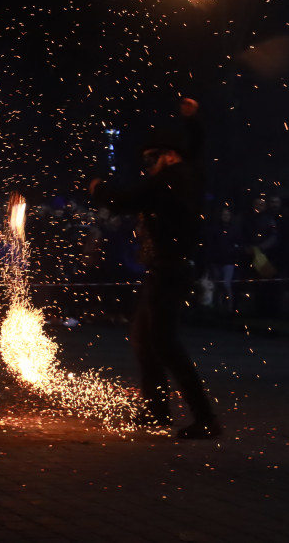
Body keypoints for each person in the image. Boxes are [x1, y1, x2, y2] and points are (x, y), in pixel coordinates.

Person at [90, 97, 220, 439]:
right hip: (166, 269)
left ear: (169, 156)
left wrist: (99, 189)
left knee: (164, 343)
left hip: (170, 270)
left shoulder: (169, 181)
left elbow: (124, 200)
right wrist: (192, 122)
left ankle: (204, 417)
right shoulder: (183, 175)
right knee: (145, 340)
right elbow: (195, 148)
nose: (147, 165)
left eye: (151, 158)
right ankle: (157, 411)